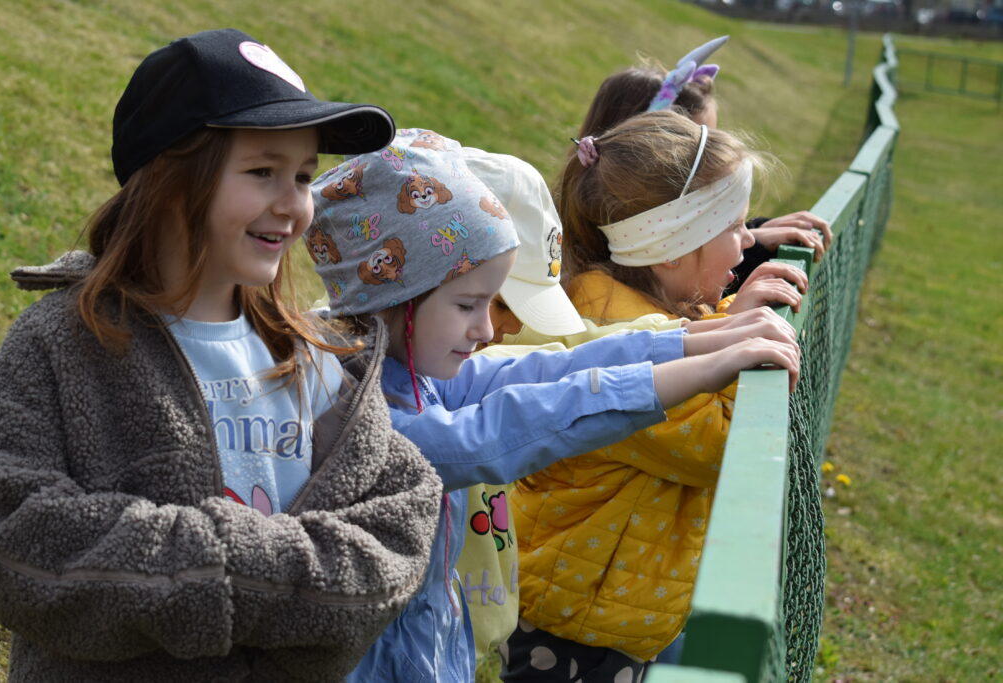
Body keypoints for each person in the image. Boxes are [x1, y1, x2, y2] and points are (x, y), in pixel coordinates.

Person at [0, 29, 444, 682]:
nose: (293, 204)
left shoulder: (313, 358)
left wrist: (231, 576)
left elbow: (399, 526)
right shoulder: (64, 343)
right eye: (262, 172)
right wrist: (225, 573)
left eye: (303, 175)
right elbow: (7, 531)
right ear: (169, 182)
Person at [305, 128, 801, 682]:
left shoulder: (407, 371)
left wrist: (691, 340)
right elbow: (498, 429)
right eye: (468, 304)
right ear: (395, 293)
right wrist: (701, 364)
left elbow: (541, 369)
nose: (486, 329)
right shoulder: (356, 409)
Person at [501, 110, 809, 681]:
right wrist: (735, 329)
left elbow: (683, 342)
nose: (749, 240)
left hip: (602, 604)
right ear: (671, 248)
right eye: (734, 226)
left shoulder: (630, 305)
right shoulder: (612, 333)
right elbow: (717, 445)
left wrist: (729, 319)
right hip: (574, 623)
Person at [575, 36, 832, 292]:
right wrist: (752, 252)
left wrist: (751, 231)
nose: (713, 151)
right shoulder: (604, 287)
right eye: (695, 141)